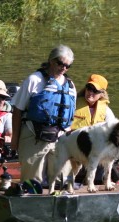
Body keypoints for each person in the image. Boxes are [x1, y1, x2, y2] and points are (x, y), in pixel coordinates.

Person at [11, 44, 76, 184]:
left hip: (61, 140)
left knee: (62, 181)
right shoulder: (34, 80)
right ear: (51, 60)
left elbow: (70, 117)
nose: (64, 68)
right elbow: (17, 110)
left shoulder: (70, 86)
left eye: (68, 66)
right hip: (34, 137)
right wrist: (14, 140)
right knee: (33, 183)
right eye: (60, 63)